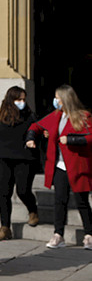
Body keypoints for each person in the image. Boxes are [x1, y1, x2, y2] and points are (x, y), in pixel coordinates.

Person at [26, 84, 92, 249]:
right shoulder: (56, 115)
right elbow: (37, 126)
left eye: (58, 98)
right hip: (59, 166)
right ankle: (58, 234)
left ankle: (89, 234)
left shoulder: (84, 116)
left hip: (77, 166)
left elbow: (90, 137)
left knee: (82, 201)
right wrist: (31, 137)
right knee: (59, 201)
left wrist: (70, 140)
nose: (55, 101)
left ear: (65, 99)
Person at [0, 86, 39, 240]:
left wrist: (34, 141)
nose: (22, 102)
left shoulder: (30, 117)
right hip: (3, 159)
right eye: (18, 99)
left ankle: (33, 210)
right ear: (10, 100)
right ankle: (5, 227)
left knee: (23, 190)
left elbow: (38, 132)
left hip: (25, 159)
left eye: (23, 99)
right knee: (4, 193)